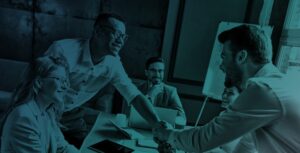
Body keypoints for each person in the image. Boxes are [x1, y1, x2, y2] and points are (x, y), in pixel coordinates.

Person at [153, 24, 300, 153]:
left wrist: (167, 134)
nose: (221, 65)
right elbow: (245, 148)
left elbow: (203, 140)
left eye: (224, 56)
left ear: (241, 57)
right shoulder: (282, 84)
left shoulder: (263, 90)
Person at [42, 13, 162, 147]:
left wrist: (157, 124)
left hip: (72, 116)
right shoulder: (63, 50)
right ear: (98, 31)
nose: (120, 41)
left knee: (88, 149)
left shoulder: (113, 63)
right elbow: (36, 87)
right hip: (44, 111)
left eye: (123, 37)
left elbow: (134, 95)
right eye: (116, 34)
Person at [1, 57, 79, 153]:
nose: (65, 87)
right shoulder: (24, 118)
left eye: (65, 81)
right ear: (39, 82)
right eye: (58, 79)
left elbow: (62, 147)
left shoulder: (48, 111)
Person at [138, 57, 186, 121]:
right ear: (146, 72)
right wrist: (150, 95)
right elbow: (130, 113)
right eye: (153, 70)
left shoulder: (171, 91)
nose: (157, 74)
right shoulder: (138, 89)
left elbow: (182, 118)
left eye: (160, 71)